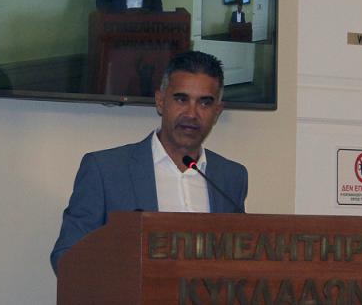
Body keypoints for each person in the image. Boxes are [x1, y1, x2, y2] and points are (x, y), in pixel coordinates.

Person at [50, 51, 247, 274]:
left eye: (204, 103)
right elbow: (67, 257)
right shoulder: (105, 170)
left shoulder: (230, 177)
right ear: (160, 101)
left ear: (217, 112)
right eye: (181, 99)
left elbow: (242, 258)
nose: (192, 114)